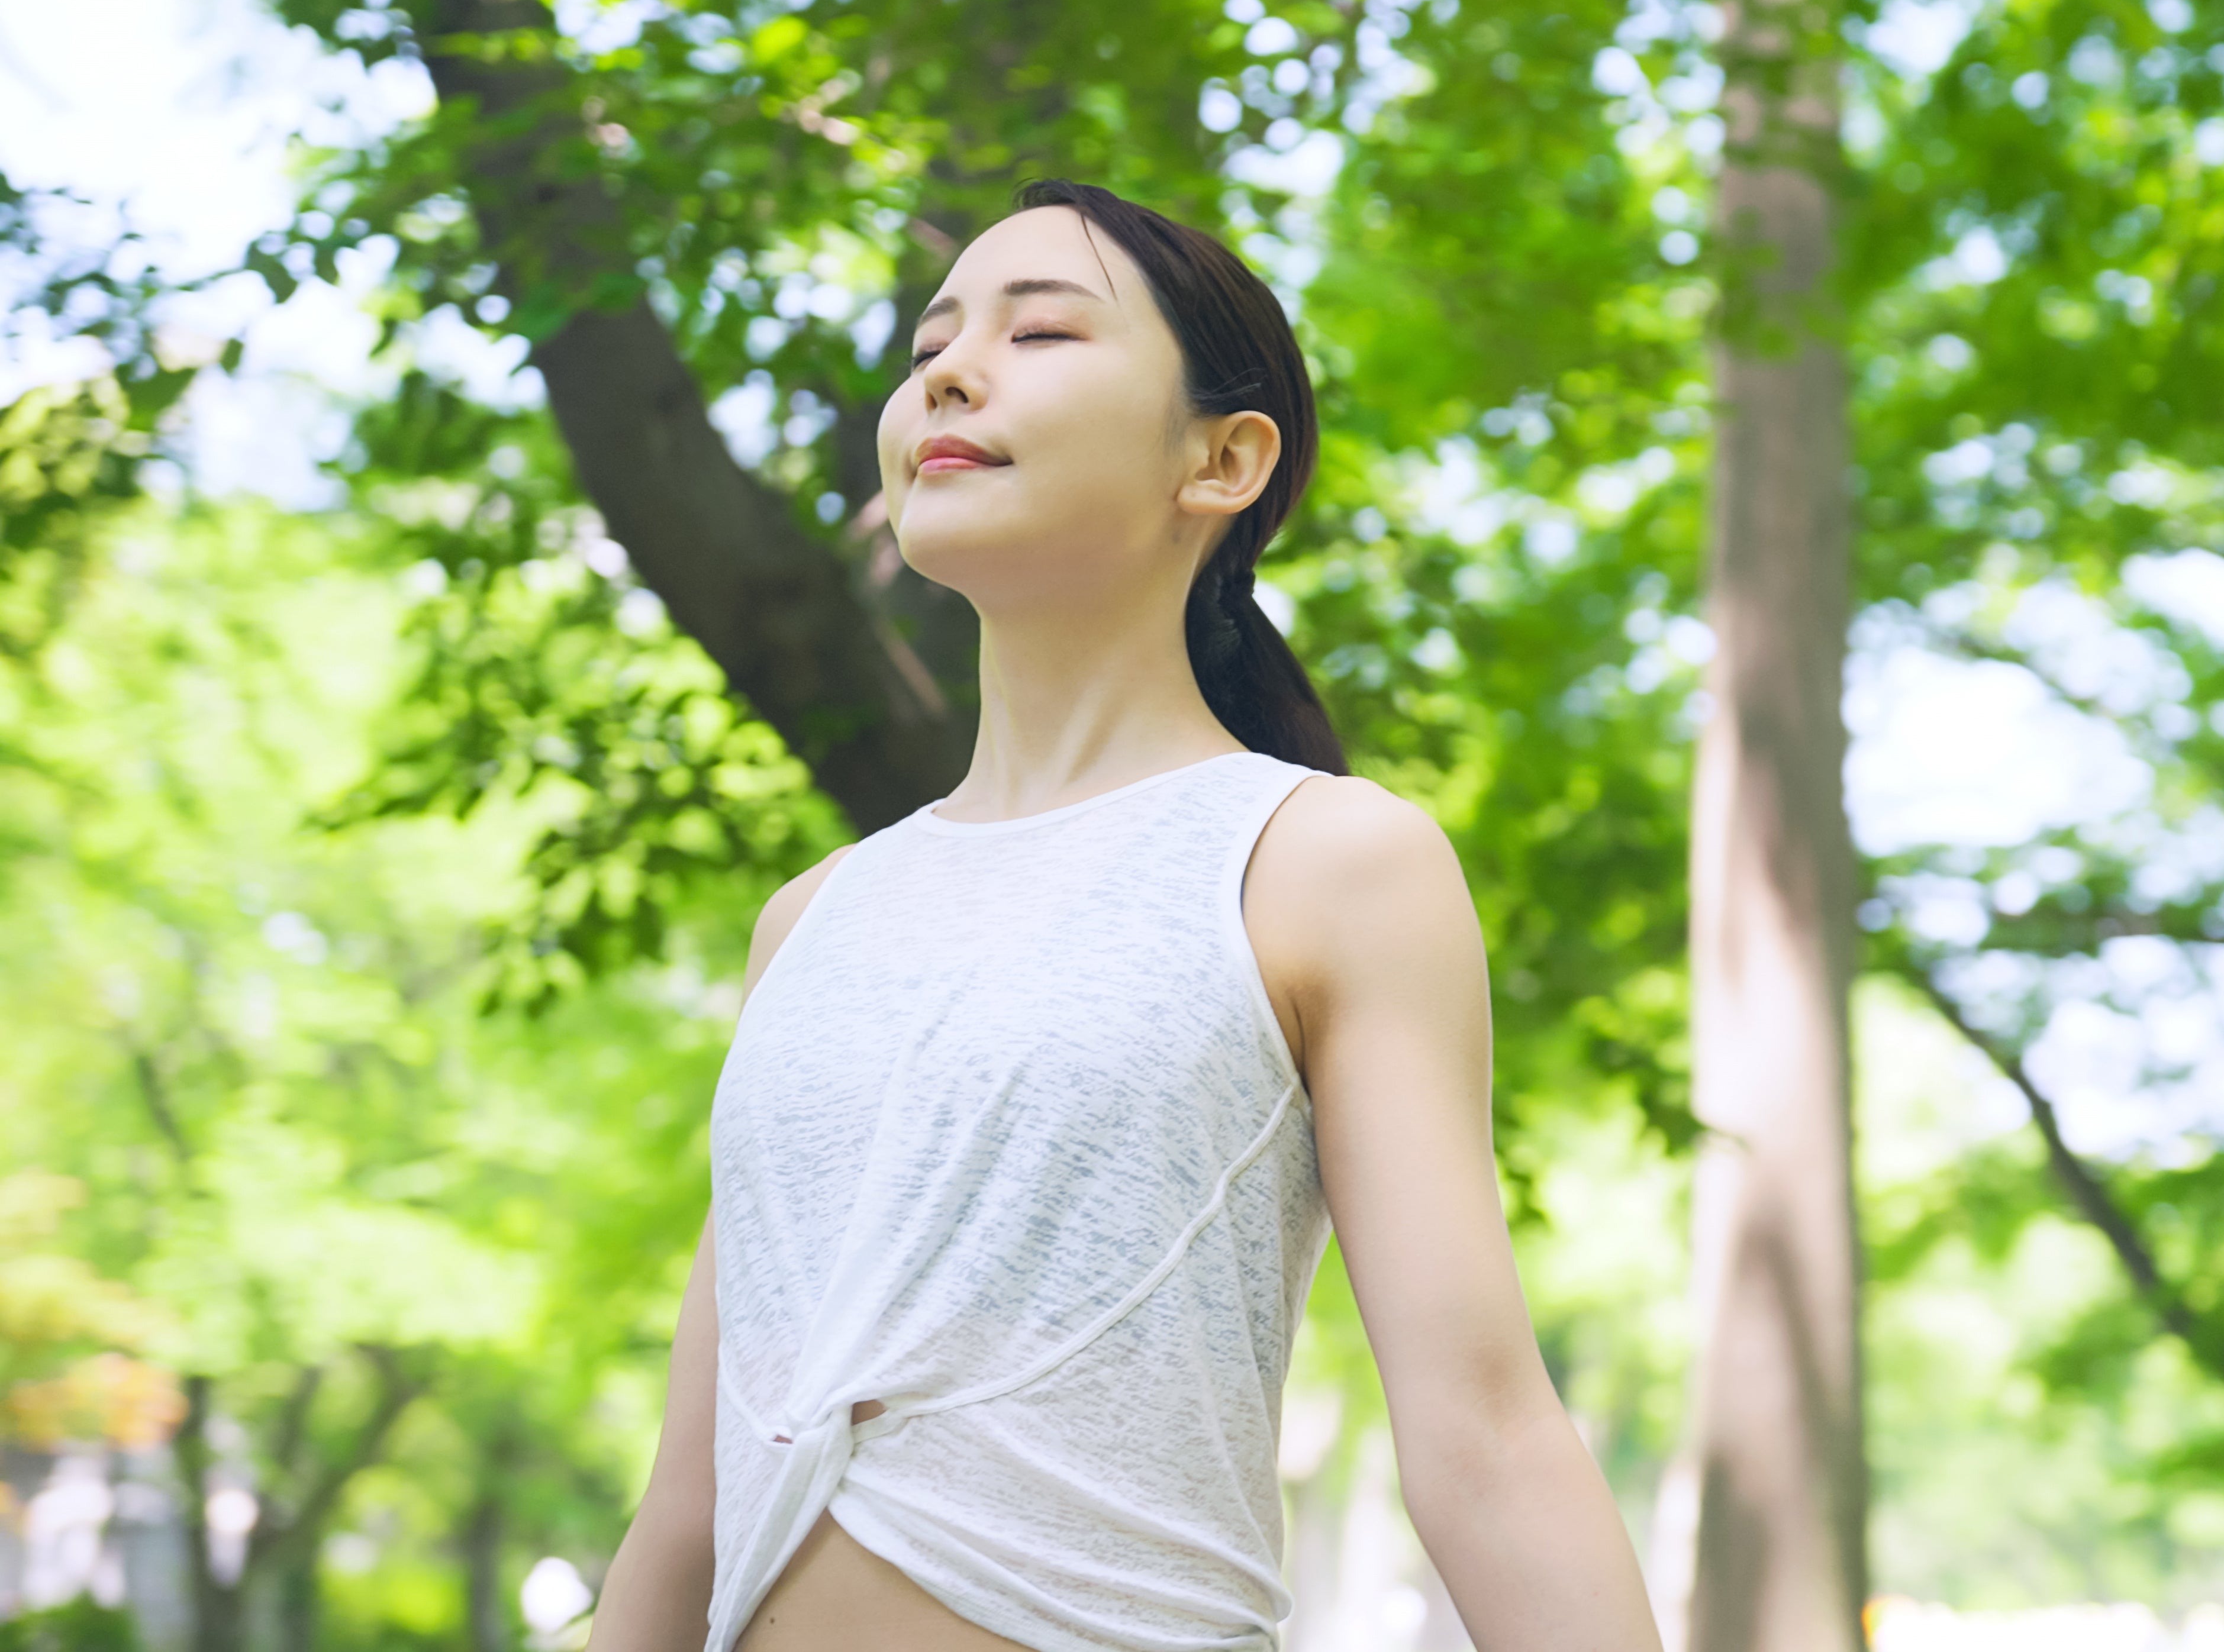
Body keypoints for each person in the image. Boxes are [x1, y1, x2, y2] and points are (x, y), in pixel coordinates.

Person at [583, 180, 1664, 1652]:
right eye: (928, 348)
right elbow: (692, 1502)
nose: (950, 374)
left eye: (1040, 333)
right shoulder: (810, 917)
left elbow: (1483, 1434)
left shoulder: (1322, 861)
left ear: (1221, 460)